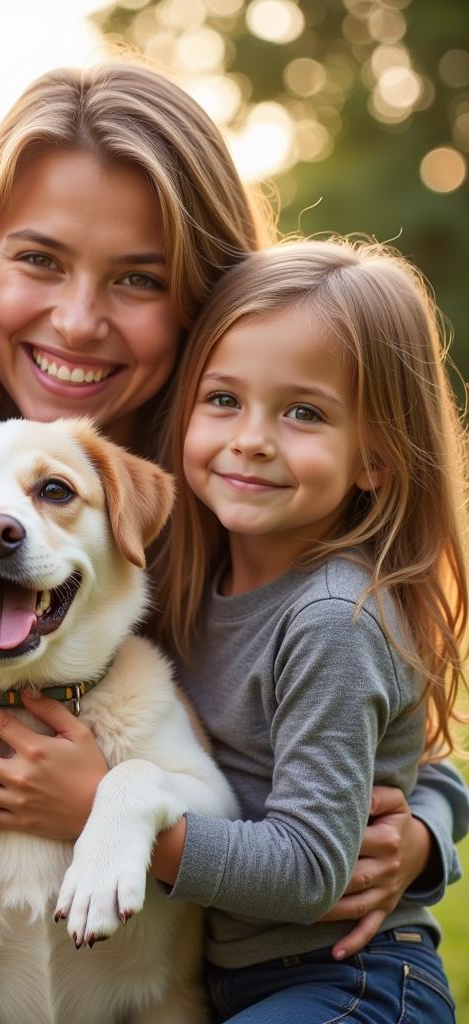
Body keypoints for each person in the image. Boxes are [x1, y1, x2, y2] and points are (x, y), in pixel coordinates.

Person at [0, 61, 467, 959]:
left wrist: (421, 833)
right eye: (38, 259)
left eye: (138, 279)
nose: (75, 321)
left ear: (207, 299)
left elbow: (364, 718)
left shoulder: (234, 492)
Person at [145, 238, 464, 1020]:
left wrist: (102, 823)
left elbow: (306, 871)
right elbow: (432, 771)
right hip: (242, 984)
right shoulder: (192, 581)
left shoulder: (332, 620)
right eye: (224, 399)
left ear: (377, 456)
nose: (252, 437)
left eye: (303, 412)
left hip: (352, 984)